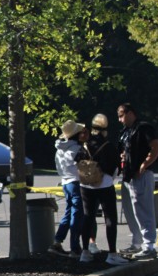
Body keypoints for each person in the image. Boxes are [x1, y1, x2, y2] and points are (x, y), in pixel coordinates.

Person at [77, 114, 128, 266]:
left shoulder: (85, 145)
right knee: (110, 218)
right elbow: (114, 169)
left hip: (86, 185)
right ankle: (112, 253)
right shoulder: (108, 146)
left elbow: (77, 162)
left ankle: (85, 252)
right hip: (104, 185)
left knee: (88, 217)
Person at [117, 102, 158, 259]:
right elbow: (127, 149)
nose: (120, 120)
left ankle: (149, 245)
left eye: (121, 115)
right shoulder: (127, 131)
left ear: (130, 113)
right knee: (134, 211)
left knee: (144, 210)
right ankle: (139, 243)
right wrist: (124, 156)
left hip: (141, 175)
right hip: (129, 175)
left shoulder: (143, 127)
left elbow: (156, 147)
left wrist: (144, 164)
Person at [51, 120, 86, 257]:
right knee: (77, 215)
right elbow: (86, 167)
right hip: (76, 182)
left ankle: (57, 241)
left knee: (69, 212)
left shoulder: (59, 149)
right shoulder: (77, 149)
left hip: (65, 182)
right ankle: (75, 247)